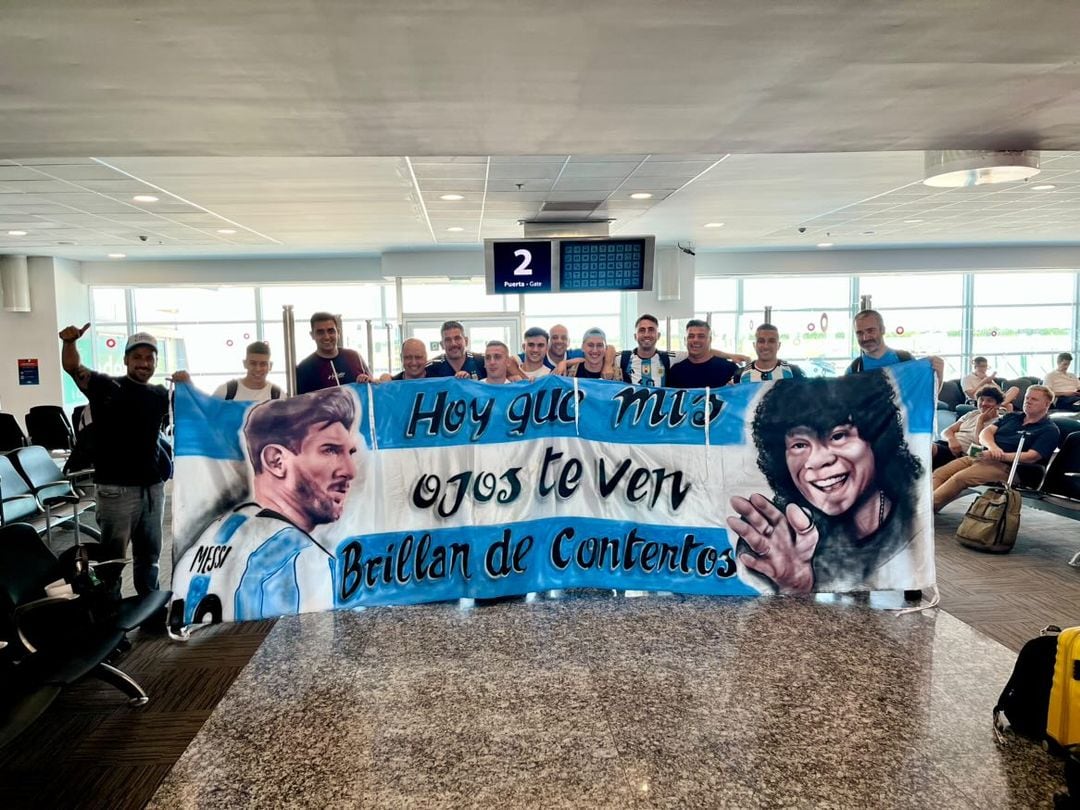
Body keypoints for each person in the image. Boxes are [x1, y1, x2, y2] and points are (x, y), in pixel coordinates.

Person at [171, 387, 361, 624]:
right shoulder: (301, 558)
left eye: (350, 452)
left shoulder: (204, 543)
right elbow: (307, 648)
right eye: (330, 450)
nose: (350, 471)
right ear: (276, 460)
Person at [726, 373, 926, 594]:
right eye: (799, 445)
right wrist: (793, 586)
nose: (817, 461)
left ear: (876, 438)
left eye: (838, 436)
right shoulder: (774, 537)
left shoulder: (914, 517)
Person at [59, 324, 185, 611]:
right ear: (126, 360)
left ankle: (149, 608)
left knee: (150, 556)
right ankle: (110, 616)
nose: (144, 363)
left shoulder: (158, 393)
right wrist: (69, 343)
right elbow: (73, 368)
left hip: (152, 488)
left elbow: (194, 412)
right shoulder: (106, 386)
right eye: (137, 357)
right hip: (116, 490)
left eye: (150, 358)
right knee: (112, 561)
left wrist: (186, 383)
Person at [932, 385, 1060, 512]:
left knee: (960, 478)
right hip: (983, 456)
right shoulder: (1012, 417)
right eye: (1027, 397)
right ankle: (924, 505)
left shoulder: (1049, 429)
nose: (1028, 401)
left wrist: (998, 455)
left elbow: (1032, 457)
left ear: (1047, 404)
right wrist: (992, 448)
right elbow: (985, 434)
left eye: (1034, 399)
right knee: (940, 473)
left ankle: (925, 510)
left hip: (1009, 467)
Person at [618, 314, 748, 386]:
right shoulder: (622, 358)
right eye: (642, 330)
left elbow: (700, 351)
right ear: (635, 336)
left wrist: (730, 355)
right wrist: (607, 365)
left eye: (651, 330)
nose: (647, 334)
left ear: (658, 335)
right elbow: (604, 353)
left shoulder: (669, 358)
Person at [846, 309, 945, 382]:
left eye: (870, 331)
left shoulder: (905, 360)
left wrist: (939, 374)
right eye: (859, 333)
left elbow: (925, 399)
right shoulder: (854, 369)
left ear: (883, 330)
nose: (865, 338)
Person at [296, 312, 373, 394]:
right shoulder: (304, 368)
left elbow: (372, 388)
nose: (326, 337)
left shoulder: (354, 357)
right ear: (312, 335)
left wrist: (369, 381)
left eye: (331, 331)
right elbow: (301, 403)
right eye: (320, 332)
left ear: (338, 332)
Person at [933, 385, 1005, 468]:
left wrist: (980, 421)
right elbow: (947, 431)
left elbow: (979, 446)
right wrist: (952, 440)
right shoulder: (972, 414)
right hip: (946, 444)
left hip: (961, 454)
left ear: (998, 405)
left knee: (928, 450)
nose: (984, 403)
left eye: (989, 401)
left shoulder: (999, 422)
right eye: (981, 400)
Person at [667, 320, 739, 388]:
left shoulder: (729, 369)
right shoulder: (676, 371)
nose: (695, 340)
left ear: (710, 340)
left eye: (701, 336)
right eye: (691, 336)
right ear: (685, 340)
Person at [213, 341, 283, 401]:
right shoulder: (225, 391)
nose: (258, 369)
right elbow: (208, 415)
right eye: (253, 363)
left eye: (263, 364)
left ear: (270, 366)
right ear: (245, 364)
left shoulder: (278, 395)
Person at [734, 324, 806, 383]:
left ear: (779, 345)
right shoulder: (741, 375)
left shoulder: (793, 372)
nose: (766, 346)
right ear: (754, 345)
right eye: (761, 341)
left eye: (771, 341)